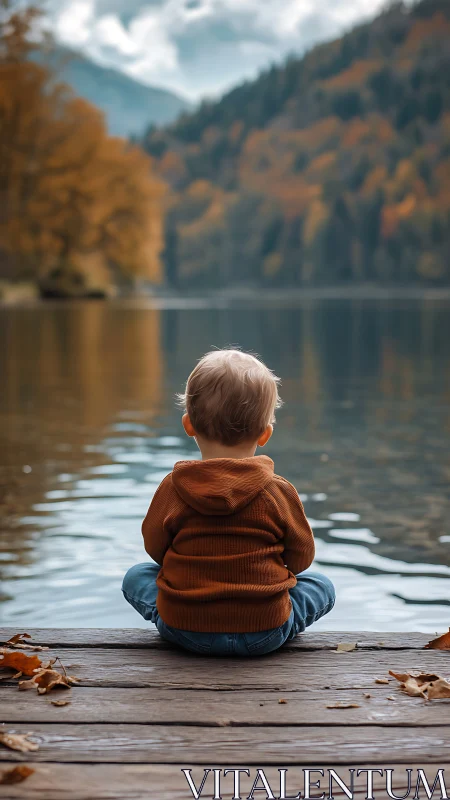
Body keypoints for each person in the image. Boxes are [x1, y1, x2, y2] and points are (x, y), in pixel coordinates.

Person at [122, 348, 335, 656]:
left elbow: (155, 551)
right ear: (265, 434)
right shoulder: (278, 492)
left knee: (136, 576)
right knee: (320, 583)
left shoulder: (173, 488)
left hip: (185, 630)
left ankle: (173, 616)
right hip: (265, 632)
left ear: (188, 425)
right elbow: (301, 560)